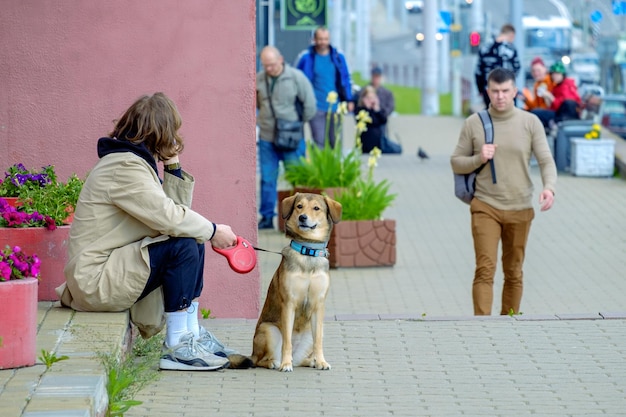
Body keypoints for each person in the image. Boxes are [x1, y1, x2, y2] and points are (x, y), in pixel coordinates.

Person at [57, 93, 239, 371]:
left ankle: (190, 335)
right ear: (160, 134)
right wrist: (214, 230)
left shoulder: (133, 162)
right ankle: (177, 346)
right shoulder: (124, 167)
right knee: (186, 244)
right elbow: (169, 218)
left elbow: (175, 219)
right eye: (173, 132)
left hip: (111, 269)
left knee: (191, 239)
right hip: (95, 280)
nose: (176, 137)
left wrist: (173, 166)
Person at [450, 68, 557, 316]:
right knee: (485, 269)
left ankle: (509, 324)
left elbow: (545, 160)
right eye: (495, 91)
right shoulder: (474, 124)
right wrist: (479, 157)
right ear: (487, 91)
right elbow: (456, 161)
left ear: (515, 91)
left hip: (520, 208)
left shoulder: (530, 123)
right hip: (485, 206)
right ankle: (483, 325)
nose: (500, 96)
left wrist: (549, 188)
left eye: (505, 91)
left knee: (514, 271)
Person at [256, 46, 316, 230]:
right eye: (266, 65)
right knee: (267, 178)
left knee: (296, 178)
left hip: (292, 137)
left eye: (272, 65)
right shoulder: (259, 79)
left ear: (281, 59)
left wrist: (296, 124)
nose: (269, 69)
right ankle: (267, 217)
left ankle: (301, 218)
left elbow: (310, 105)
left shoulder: (296, 77)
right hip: (267, 137)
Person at [296, 26, 353, 148]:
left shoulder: (338, 57)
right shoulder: (306, 58)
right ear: (314, 40)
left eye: (326, 39)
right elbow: (298, 79)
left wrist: (349, 99)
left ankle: (335, 166)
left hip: (335, 106)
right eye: (320, 39)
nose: (323, 42)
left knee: (336, 141)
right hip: (316, 106)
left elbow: (345, 78)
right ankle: (318, 166)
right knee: (319, 141)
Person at [475, 24, 521, 108]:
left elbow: (478, 71)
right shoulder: (510, 48)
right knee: (508, 116)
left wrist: (480, 89)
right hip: (506, 89)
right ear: (512, 35)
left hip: (488, 88)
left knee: (490, 115)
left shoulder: (485, 47)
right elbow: (517, 68)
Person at [532, 61, 582, 130]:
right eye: (553, 74)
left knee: (535, 113)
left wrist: (550, 96)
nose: (555, 76)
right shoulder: (557, 86)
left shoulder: (566, 86)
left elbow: (564, 105)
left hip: (563, 116)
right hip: (558, 113)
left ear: (563, 74)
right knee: (535, 112)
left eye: (557, 74)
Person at [355, 86, 387, 153]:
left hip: (377, 144)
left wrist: (377, 110)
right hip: (364, 143)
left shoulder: (377, 110)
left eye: (372, 98)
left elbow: (384, 120)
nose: (370, 100)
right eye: (368, 98)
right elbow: (370, 121)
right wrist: (367, 108)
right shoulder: (360, 110)